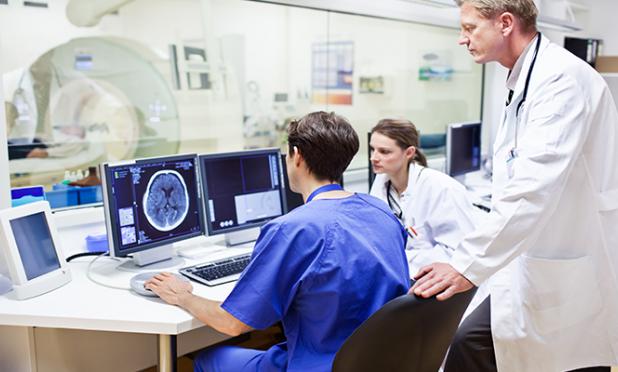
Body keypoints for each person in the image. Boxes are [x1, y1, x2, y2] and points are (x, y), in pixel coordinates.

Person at [411, 1, 618, 372]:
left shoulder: (560, 80)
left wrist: (463, 265)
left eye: (470, 28)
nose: (462, 39)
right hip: (532, 262)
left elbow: (532, 188)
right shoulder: (524, 80)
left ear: (505, 23)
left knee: (568, 360)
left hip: (566, 263)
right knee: (469, 344)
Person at [146, 111, 410, 371]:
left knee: (209, 360)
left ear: (296, 156)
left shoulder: (293, 230)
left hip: (320, 364)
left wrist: (184, 296)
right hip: (378, 361)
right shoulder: (381, 210)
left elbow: (233, 323)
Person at [369, 119, 480, 274]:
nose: (374, 157)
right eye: (372, 149)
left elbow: (458, 254)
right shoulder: (382, 181)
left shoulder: (442, 189)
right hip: (403, 273)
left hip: (440, 281)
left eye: (384, 151)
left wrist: (402, 258)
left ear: (409, 153)